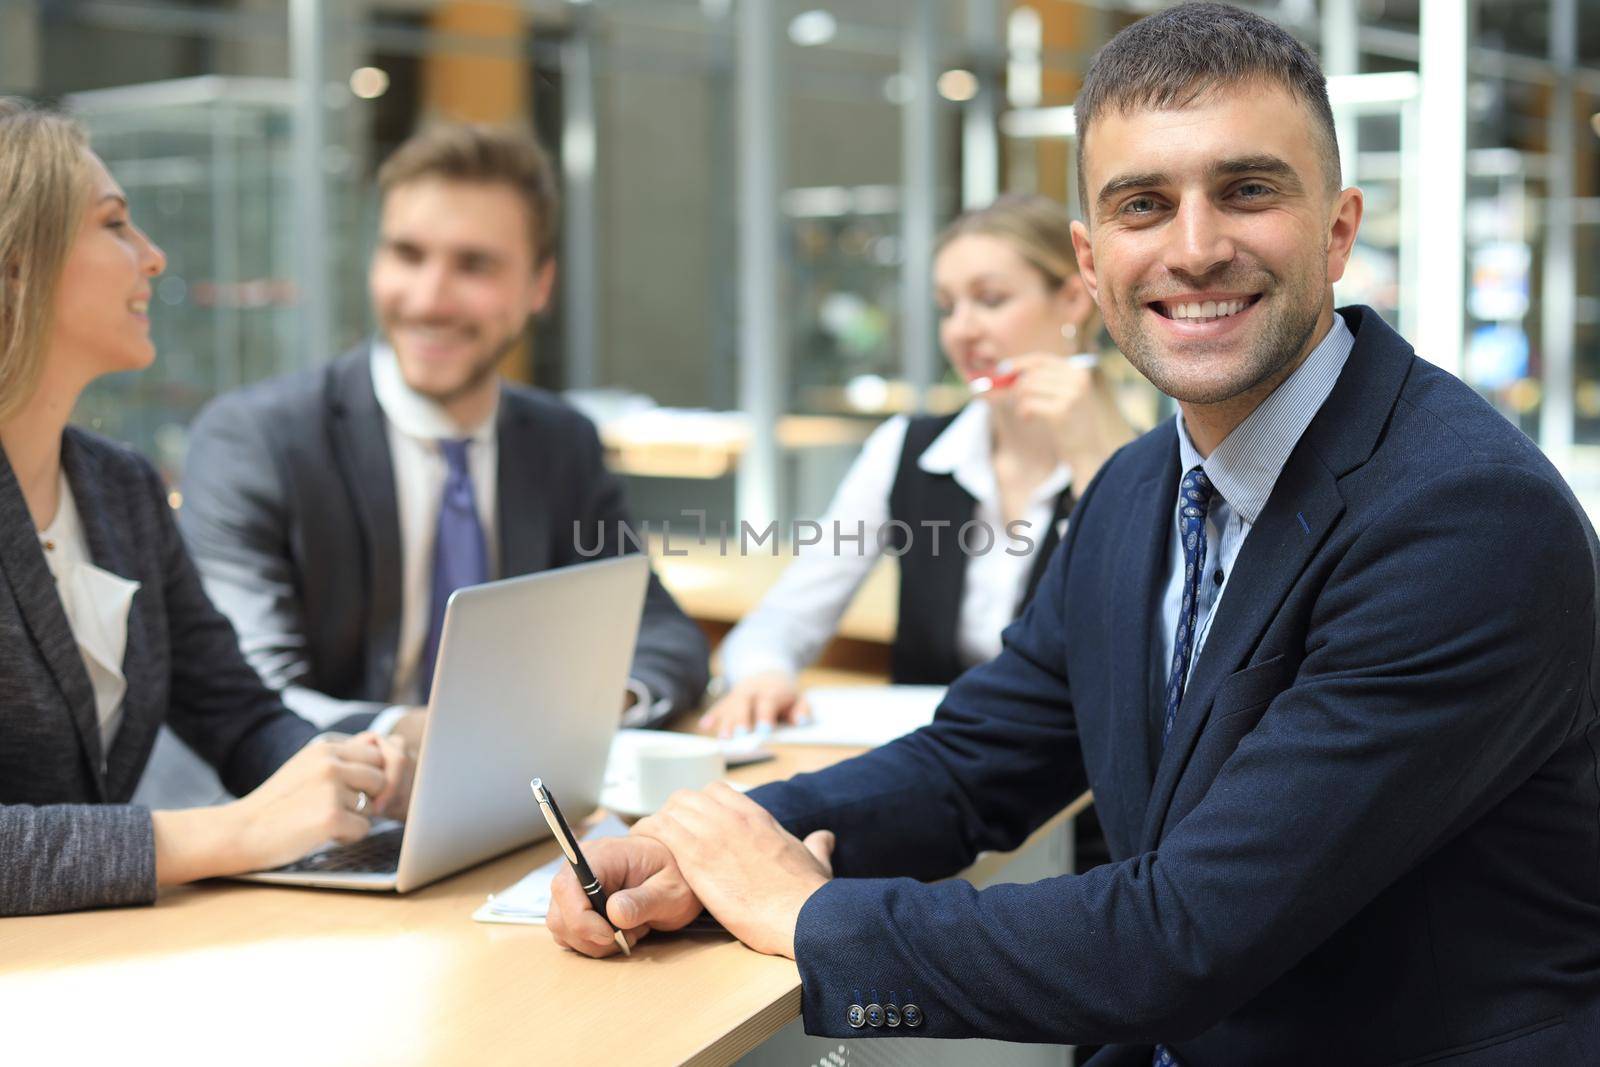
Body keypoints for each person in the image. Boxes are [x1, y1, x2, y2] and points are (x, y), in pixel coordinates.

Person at [546, 5, 1600, 1063]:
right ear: (1093, 268)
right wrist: (713, 843)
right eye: (1144, 204)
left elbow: (1179, 935)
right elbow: (975, 763)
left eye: (1246, 190)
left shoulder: (1464, 518)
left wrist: (804, 912)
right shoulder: (1141, 485)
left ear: (1335, 229)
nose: (1195, 247)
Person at [154, 122, 710, 805]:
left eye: (473, 265)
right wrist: (432, 735)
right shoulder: (259, 440)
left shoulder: (559, 442)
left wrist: (600, 707)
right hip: (297, 826)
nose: (427, 298)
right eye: (406, 254)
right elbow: (251, 696)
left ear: (540, 285)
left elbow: (658, 630)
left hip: (502, 812)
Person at [0, 99, 413, 917]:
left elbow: (234, 710)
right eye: (115, 224)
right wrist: (229, 834)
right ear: (18, 263)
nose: (151, 258)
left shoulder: (120, 487)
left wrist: (354, 773)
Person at [705, 195, 1136, 737]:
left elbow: (1146, 660)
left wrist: (1093, 462)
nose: (961, 330)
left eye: (991, 299)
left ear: (1074, 299)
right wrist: (764, 674)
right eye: (948, 307)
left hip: (1079, 801)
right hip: (934, 781)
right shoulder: (907, 450)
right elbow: (783, 619)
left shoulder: (1144, 465)